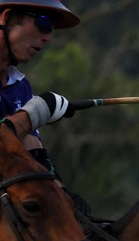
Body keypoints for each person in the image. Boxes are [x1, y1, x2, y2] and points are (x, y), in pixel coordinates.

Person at [0, 1, 78, 188]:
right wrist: (34, 113)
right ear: (6, 17)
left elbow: (34, 156)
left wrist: (60, 193)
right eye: (44, 23)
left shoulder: (21, 87)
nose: (48, 38)